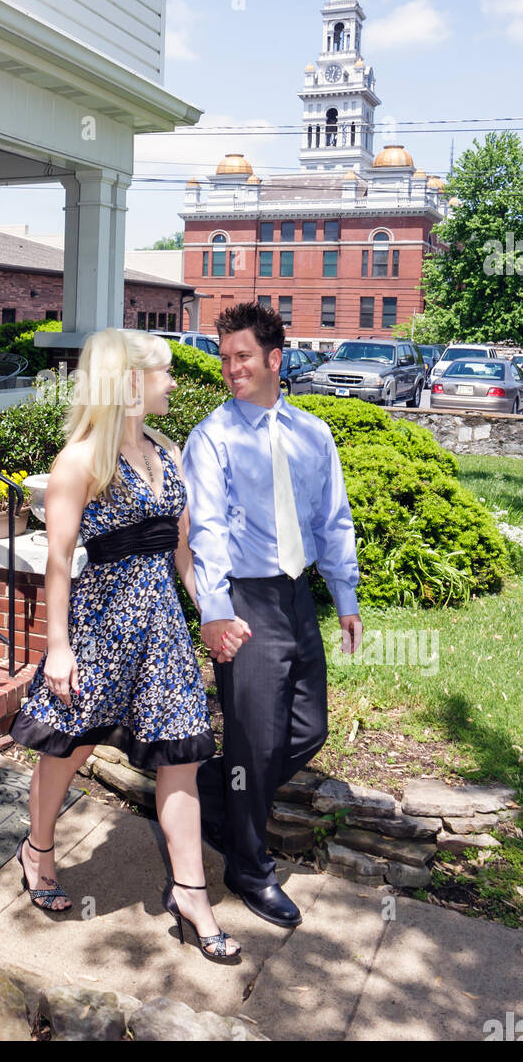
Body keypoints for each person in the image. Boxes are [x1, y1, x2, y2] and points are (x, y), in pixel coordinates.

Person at [10, 328, 246, 960]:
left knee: (181, 759)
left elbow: (184, 553)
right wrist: (57, 648)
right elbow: (58, 561)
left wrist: (213, 614)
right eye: (163, 372)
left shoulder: (166, 452)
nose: (173, 383)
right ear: (130, 381)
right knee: (69, 745)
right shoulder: (81, 459)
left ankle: (191, 892)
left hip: (162, 627)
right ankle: (37, 850)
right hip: (101, 626)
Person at [182, 302, 362, 929]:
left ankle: (209, 792)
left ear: (275, 360)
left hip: (297, 597)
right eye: (225, 358)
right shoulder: (211, 437)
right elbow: (204, 533)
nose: (230, 368)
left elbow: (332, 520)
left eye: (243, 357)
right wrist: (215, 612)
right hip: (247, 601)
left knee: (307, 730)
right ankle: (248, 867)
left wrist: (346, 598)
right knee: (254, 742)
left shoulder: (314, 433)